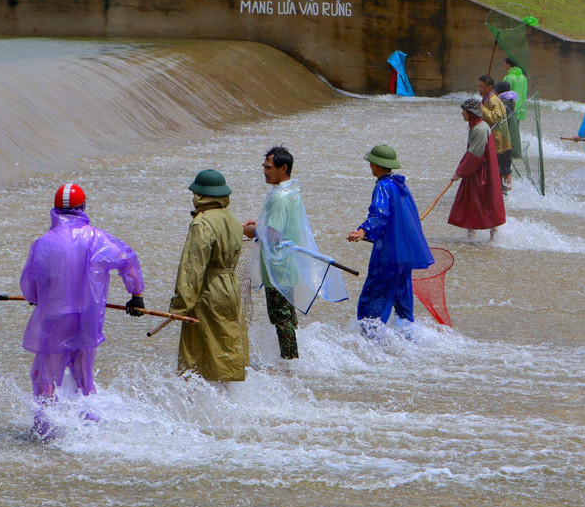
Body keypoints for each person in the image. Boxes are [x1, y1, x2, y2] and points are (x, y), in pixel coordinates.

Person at [19, 183, 146, 438]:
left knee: (46, 378)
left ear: (55, 209)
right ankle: (90, 428)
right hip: (88, 319)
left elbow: (30, 285)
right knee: (83, 377)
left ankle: (44, 432)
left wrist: (35, 298)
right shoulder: (98, 238)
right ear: (82, 207)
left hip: (55, 320)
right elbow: (127, 261)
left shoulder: (42, 243)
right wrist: (136, 295)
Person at [242, 147, 348, 360]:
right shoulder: (290, 192)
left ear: (284, 168)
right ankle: (292, 359)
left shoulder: (279, 198)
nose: (264, 171)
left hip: (278, 267)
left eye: (269, 167)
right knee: (287, 317)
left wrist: (252, 230)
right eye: (263, 166)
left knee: (280, 319)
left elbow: (272, 235)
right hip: (288, 264)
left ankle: (289, 363)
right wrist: (261, 223)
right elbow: (280, 226)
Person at [169, 170, 249, 382]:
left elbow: (192, 268)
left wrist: (179, 305)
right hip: (231, 286)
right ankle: (229, 401)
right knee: (226, 345)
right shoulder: (232, 220)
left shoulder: (202, 223)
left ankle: (193, 404)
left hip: (208, 290)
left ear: (200, 195)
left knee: (196, 352)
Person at [346, 144, 434, 331]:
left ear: (376, 166)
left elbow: (379, 215)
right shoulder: (400, 185)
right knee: (403, 306)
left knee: (371, 301)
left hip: (388, 256)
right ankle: (409, 340)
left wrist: (363, 231)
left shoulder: (383, 186)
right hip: (403, 256)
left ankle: (370, 344)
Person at [448, 98, 506, 239]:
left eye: (464, 111)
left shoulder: (480, 129)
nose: (462, 113)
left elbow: (475, 154)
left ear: (470, 113)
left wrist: (459, 172)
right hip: (478, 170)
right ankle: (472, 235)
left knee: (484, 201)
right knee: (472, 201)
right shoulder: (478, 126)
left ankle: (493, 236)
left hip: (481, 172)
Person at [477, 74, 512, 192]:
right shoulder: (489, 99)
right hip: (498, 140)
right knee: (499, 171)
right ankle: (502, 191)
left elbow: (496, 118)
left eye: (482, 87)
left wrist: (482, 108)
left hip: (499, 142)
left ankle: (504, 192)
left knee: (500, 171)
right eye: (479, 86)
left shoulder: (493, 100)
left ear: (489, 87)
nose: (480, 89)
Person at [496, 79, 521, 166]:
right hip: (510, 146)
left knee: (503, 171)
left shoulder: (503, 107)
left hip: (505, 147)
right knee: (506, 171)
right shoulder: (510, 104)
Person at [502, 56, 528, 124]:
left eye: (504, 65)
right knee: (515, 129)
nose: (504, 67)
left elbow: (505, 94)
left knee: (508, 131)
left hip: (509, 109)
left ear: (508, 65)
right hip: (519, 108)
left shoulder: (509, 77)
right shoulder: (523, 78)